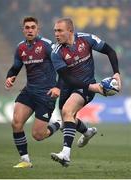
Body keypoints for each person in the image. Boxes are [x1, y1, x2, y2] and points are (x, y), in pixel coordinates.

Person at [50, 17, 121, 167]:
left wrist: (116, 73)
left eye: (60, 30)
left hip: (85, 88)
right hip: (70, 86)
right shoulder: (56, 52)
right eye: (55, 31)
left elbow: (110, 51)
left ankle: (65, 154)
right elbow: (67, 79)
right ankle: (87, 132)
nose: (56, 34)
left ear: (70, 30)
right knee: (68, 117)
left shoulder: (87, 39)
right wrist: (93, 87)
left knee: (68, 112)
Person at [5, 16, 61, 168]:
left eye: (32, 27)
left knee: (38, 135)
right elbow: (16, 67)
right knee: (16, 123)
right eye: (27, 27)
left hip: (46, 94)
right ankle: (25, 160)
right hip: (29, 91)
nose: (30, 30)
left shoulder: (47, 45)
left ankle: (58, 124)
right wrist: (10, 77)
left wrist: (58, 87)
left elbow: (63, 67)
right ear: (23, 30)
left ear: (38, 29)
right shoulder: (21, 48)